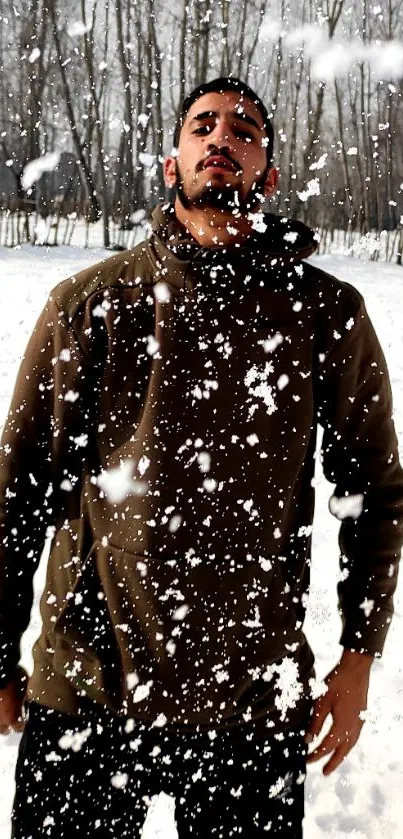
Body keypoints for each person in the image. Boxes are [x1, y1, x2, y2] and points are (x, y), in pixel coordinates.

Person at [0, 76, 402, 839]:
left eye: (244, 129)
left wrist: (357, 657)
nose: (223, 138)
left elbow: (373, 493)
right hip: (91, 684)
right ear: (170, 163)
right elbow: (16, 488)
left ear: (268, 175)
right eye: (202, 126)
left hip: (248, 698)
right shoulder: (91, 305)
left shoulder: (323, 313)